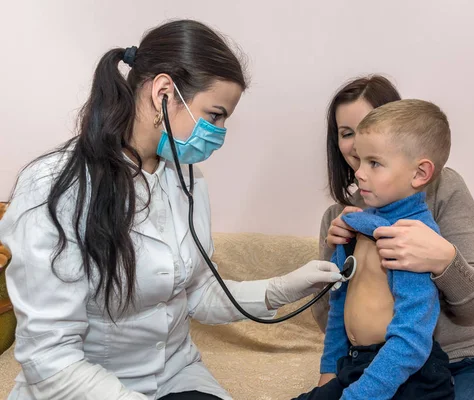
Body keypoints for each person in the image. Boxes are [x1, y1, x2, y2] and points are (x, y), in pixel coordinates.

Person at [0, 20, 342, 400]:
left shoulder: (186, 182)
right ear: (163, 91)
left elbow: (197, 294)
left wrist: (284, 287)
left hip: (176, 377)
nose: (220, 132)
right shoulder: (55, 187)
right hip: (83, 387)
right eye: (215, 115)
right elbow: (49, 357)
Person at [312, 76, 474, 400]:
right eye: (347, 134)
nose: (359, 141)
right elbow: (335, 321)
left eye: (370, 125)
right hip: (381, 367)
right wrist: (335, 257)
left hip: (470, 361)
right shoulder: (340, 218)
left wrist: (444, 260)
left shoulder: (444, 188)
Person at [295, 100, 455, 400]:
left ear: (420, 173)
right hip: (357, 365)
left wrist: (360, 395)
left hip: (409, 377)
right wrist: (330, 371)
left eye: (374, 163)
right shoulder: (354, 226)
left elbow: (411, 339)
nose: (359, 173)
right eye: (360, 160)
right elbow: (337, 306)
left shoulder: (412, 241)